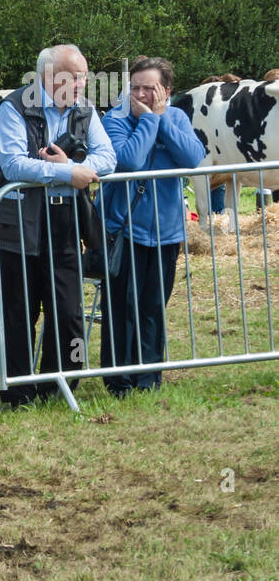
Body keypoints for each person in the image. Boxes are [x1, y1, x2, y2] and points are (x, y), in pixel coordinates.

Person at [0, 44, 116, 407]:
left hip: (64, 222)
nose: (81, 83)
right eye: (73, 76)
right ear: (47, 76)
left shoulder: (85, 109)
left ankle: (60, 386)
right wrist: (68, 172)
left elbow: (108, 157)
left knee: (69, 312)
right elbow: (13, 165)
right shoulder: (13, 107)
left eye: (84, 76)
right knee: (15, 313)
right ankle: (18, 392)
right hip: (14, 225)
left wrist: (78, 166)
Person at [98, 57, 205, 394]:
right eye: (136, 88)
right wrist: (149, 121)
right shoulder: (114, 120)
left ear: (166, 91)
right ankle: (119, 380)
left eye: (150, 88)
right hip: (124, 230)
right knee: (121, 308)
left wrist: (160, 121)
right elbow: (128, 159)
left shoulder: (176, 117)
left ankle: (149, 378)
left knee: (153, 307)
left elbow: (193, 158)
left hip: (167, 232)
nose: (141, 94)